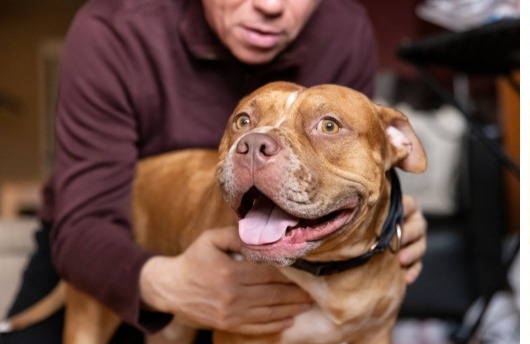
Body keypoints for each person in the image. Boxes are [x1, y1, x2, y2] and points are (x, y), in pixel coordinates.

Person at [1, 0, 427, 342]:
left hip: (280, 226)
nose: (271, 5)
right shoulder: (112, 29)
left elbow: (351, 167)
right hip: (98, 235)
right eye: (243, 123)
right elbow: (81, 227)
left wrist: (384, 218)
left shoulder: (343, 27)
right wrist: (167, 286)